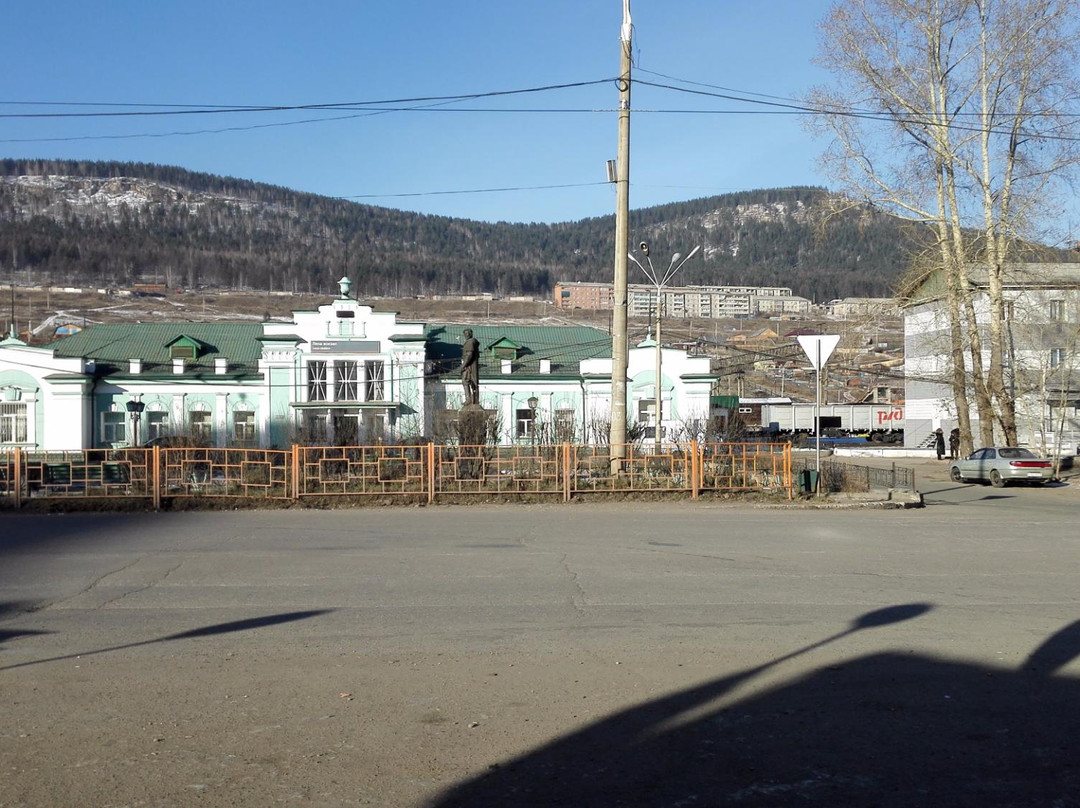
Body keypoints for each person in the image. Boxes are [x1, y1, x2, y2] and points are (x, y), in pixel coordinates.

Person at [460, 328, 480, 407]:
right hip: (470, 365)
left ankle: (469, 399)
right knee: (471, 383)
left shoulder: (470, 342)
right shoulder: (472, 342)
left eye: (467, 333)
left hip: (469, 366)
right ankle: (473, 399)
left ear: (471, 334)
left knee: (465, 381)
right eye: (465, 334)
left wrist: (463, 365)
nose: (466, 335)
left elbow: (469, 355)